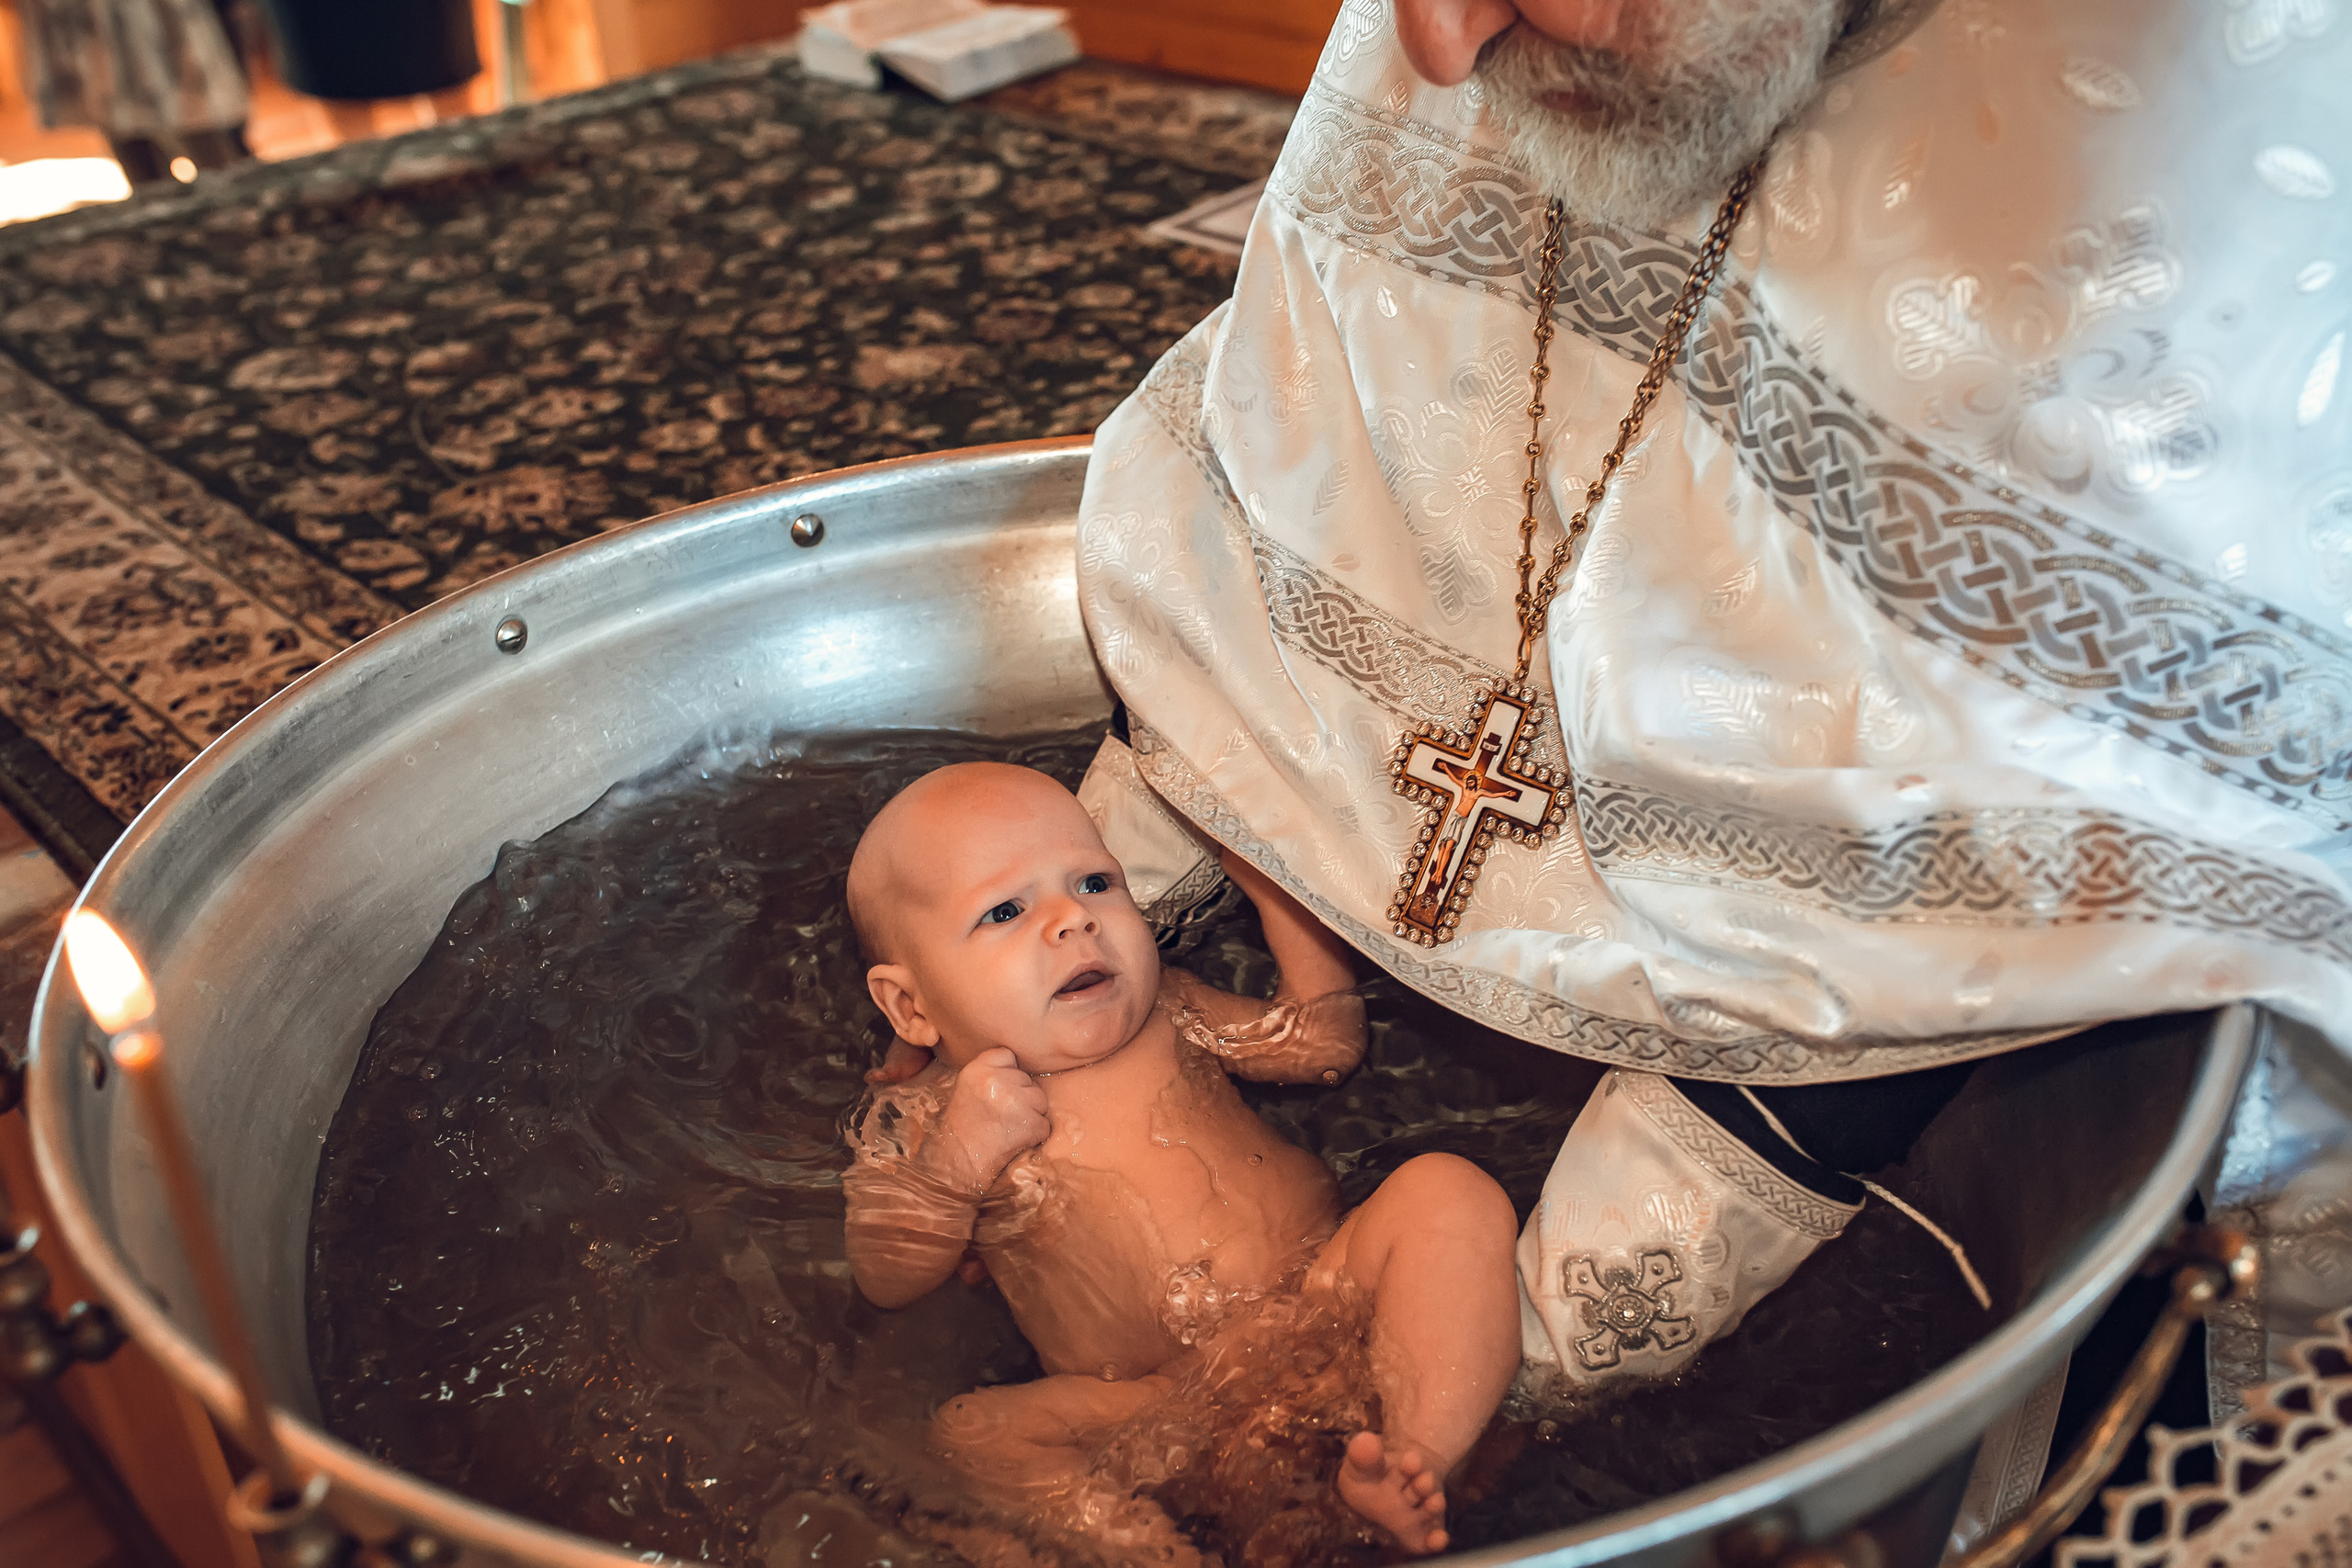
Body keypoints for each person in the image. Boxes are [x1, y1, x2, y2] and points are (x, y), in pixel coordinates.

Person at [1069, 0, 2352, 1413]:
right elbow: (1331, 454)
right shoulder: (1441, 41)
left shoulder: (2205, 163)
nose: (1434, 49)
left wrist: (1505, 1375)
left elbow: (1962, 841)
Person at [841, 761, 1521, 1556]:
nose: (1073, 920)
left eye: (1095, 882)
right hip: (1160, 1400)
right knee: (967, 1434)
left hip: (1330, 1292)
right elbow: (885, 1276)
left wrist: (1284, 903)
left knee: (1448, 1192)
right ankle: (1155, 1551)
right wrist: (957, 1160)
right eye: (1005, 908)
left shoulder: (1174, 1008)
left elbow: (1321, 1045)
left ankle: (1415, 1458)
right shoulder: (923, 1114)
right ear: (911, 1006)